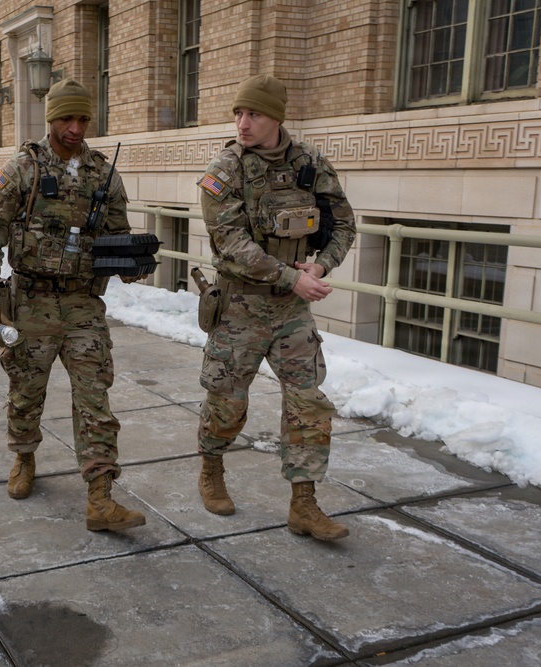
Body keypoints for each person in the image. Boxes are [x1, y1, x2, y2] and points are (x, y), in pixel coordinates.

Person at [0, 79, 146, 532]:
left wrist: (132, 262)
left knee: (94, 399)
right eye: (67, 118)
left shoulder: (102, 173)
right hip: (30, 303)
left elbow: (117, 235)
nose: (75, 127)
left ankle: (101, 496)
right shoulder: (21, 170)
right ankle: (24, 457)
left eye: (82, 119)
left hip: (84, 304)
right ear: (51, 119)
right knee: (26, 394)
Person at [195, 74, 356, 541]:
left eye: (255, 114)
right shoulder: (224, 169)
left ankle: (303, 504)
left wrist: (322, 266)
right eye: (239, 114)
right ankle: (211, 469)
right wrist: (293, 277)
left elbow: (343, 223)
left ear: (276, 117)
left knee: (308, 403)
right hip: (240, 308)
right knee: (227, 402)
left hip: (291, 311)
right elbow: (230, 243)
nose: (244, 123)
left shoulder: (310, 163)